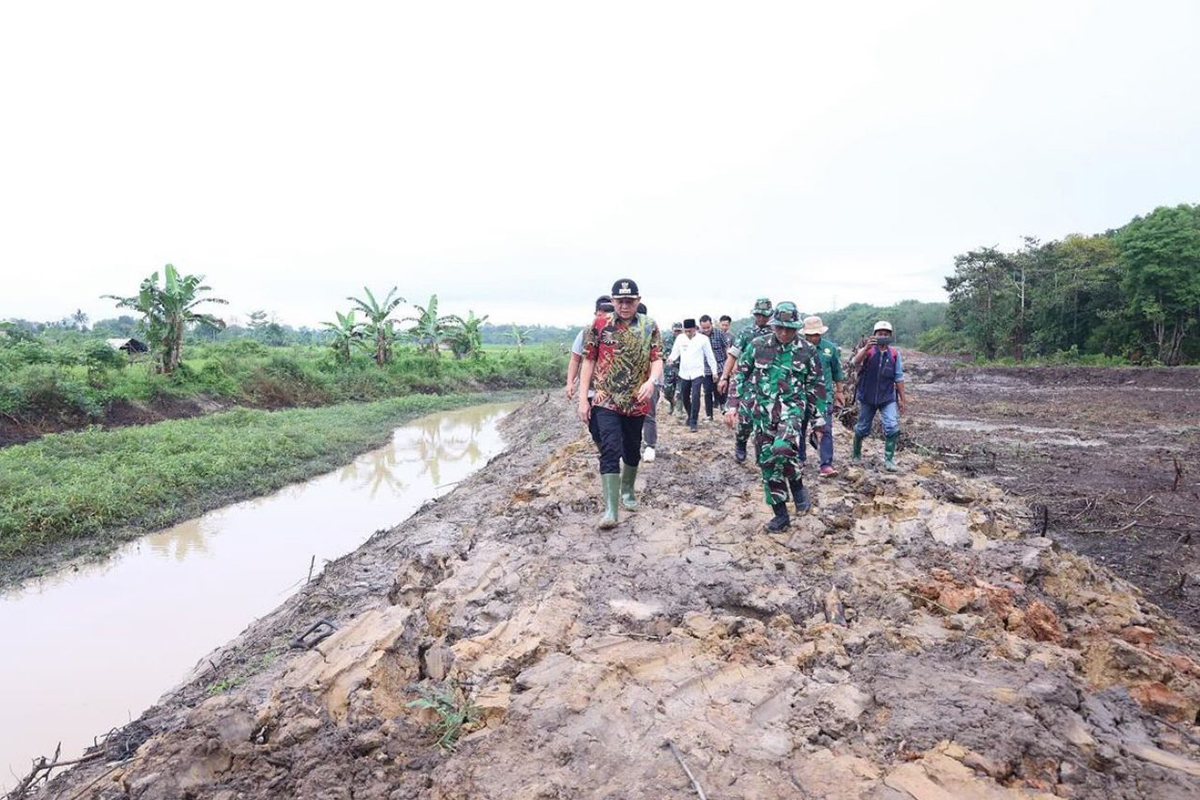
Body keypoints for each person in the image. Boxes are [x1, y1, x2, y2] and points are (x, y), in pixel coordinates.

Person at [725, 302, 827, 531]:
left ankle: (797, 483)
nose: (783, 333)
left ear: (796, 328)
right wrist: (732, 405)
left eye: (789, 329)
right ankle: (781, 515)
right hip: (762, 413)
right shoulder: (757, 345)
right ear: (774, 325)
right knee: (767, 463)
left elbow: (816, 388)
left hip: (792, 411)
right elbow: (740, 375)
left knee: (782, 449)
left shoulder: (807, 351)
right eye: (779, 327)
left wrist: (818, 422)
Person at [578, 279, 663, 528]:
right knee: (610, 449)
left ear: (638, 301)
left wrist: (651, 381)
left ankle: (627, 490)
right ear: (613, 302)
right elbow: (589, 362)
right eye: (620, 301)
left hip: (637, 400)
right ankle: (610, 510)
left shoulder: (650, 326)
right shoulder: (599, 325)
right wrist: (583, 399)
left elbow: (657, 358)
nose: (625, 306)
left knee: (631, 448)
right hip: (606, 400)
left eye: (630, 301)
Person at [718, 298, 773, 462]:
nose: (761, 319)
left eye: (765, 315)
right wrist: (724, 377)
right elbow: (732, 356)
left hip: (771, 383)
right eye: (758, 315)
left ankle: (762, 454)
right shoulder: (746, 333)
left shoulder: (777, 332)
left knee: (766, 423)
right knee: (746, 419)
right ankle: (741, 442)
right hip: (748, 382)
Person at [850, 320, 907, 472]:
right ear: (874, 335)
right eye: (880, 334)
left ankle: (889, 460)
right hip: (867, 397)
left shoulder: (894, 354)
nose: (883, 336)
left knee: (892, 427)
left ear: (891, 336)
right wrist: (867, 347)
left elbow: (899, 377)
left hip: (887, 398)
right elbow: (854, 362)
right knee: (862, 428)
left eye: (886, 334)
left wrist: (902, 400)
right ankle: (856, 453)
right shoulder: (868, 351)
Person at [801, 315, 846, 477]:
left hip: (823, 396)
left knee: (825, 429)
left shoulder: (830, 349)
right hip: (801, 395)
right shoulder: (798, 348)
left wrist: (839, 392)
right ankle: (800, 459)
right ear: (805, 334)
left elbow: (837, 371)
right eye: (810, 334)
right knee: (799, 427)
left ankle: (826, 464)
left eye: (816, 334)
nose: (813, 337)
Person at [566, 295, 613, 445]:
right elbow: (575, 359)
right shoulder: (586, 334)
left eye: (608, 314)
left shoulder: (621, 333)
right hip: (592, 390)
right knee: (596, 431)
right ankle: (607, 454)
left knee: (611, 431)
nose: (604, 318)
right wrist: (570, 383)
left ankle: (611, 458)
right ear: (596, 314)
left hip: (614, 391)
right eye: (601, 314)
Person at [666, 318, 718, 432]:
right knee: (684, 396)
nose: (688, 333)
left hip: (698, 372)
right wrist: (670, 359)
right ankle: (690, 415)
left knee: (695, 395)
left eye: (691, 331)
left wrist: (714, 372)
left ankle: (694, 421)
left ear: (695, 329)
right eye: (686, 331)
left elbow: (710, 356)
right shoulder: (680, 338)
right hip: (684, 372)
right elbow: (675, 352)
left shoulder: (703, 339)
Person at [637, 302, 660, 463]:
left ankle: (650, 445)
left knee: (648, 413)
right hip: (628, 382)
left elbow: (657, 358)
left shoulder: (651, 331)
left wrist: (653, 381)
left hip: (650, 380)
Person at [700, 314, 729, 413]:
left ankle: (722, 404)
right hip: (706, 367)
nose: (706, 330)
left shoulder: (719, 333)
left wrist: (730, 365)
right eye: (704, 328)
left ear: (711, 324)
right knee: (707, 390)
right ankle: (709, 414)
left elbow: (726, 348)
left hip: (720, 365)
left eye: (708, 327)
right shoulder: (699, 336)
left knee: (721, 388)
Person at [662, 322, 683, 415]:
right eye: (676, 331)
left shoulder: (685, 340)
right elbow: (661, 353)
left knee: (680, 391)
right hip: (669, 370)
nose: (677, 333)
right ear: (672, 330)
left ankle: (679, 410)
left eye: (679, 331)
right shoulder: (666, 339)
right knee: (667, 392)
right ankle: (671, 403)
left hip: (682, 369)